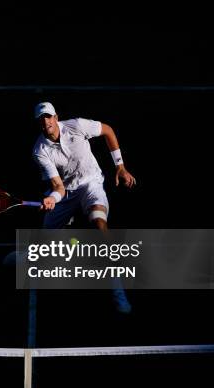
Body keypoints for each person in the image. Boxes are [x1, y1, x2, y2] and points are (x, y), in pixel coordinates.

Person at [32, 101, 137, 313]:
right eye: (41, 118)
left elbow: (107, 130)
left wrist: (120, 167)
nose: (46, 121)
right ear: (38, 123)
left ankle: (117, 289)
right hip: (67, 193)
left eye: (49, 116)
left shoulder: (77, 126)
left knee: (100, 223)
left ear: (55, 117)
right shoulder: (40, 150)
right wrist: (53, 197)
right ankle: (24, 257)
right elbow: (59, 186)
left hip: (91, 183)